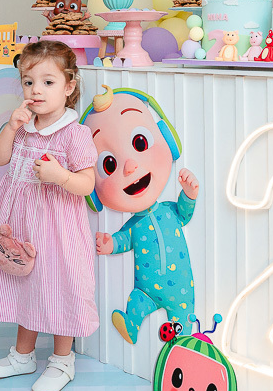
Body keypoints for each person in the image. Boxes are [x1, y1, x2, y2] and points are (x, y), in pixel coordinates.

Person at [0, 41, 98, 391]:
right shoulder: (23, 126)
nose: (36, 90)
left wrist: (61, 177)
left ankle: (62, 359)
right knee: (25, 284)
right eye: (28, 82)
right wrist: (10, 127)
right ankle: (23, 355)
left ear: (69, 87)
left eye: (48, 82)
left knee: (58, 286)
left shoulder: (75, 133)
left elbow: (87, 183)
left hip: (57, 229)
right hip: (20, 224)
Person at [83, 87, 199, 345]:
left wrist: (189, 193)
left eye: (139, 143)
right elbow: (124, 239)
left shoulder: (170, 210)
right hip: (145, 291)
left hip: (180, 289)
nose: (130, 166)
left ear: (169, 140)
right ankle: (131, 324)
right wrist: (110, 243)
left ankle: (182, 345)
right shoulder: (134, 224)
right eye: (109, 164)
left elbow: (185, 212)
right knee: (135, 302)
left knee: (183, 321)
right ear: (93, 191)